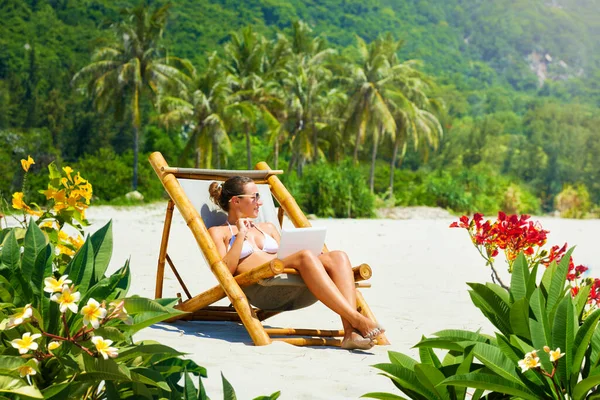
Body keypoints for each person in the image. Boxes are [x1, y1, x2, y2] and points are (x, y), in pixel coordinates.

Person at [207, 176, 384, 350]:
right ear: (236, 201)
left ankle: (349, 334)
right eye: (255, 197)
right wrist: (240, 235)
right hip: (262, 287)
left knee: (338, 256)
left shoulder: (267, 227)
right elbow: (225, 272)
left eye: (259, 197)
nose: (259, 202)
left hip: (288, 276)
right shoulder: (219, 232)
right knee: (305, 256)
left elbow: (286, 250)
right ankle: (357, 319)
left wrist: (315, 252)